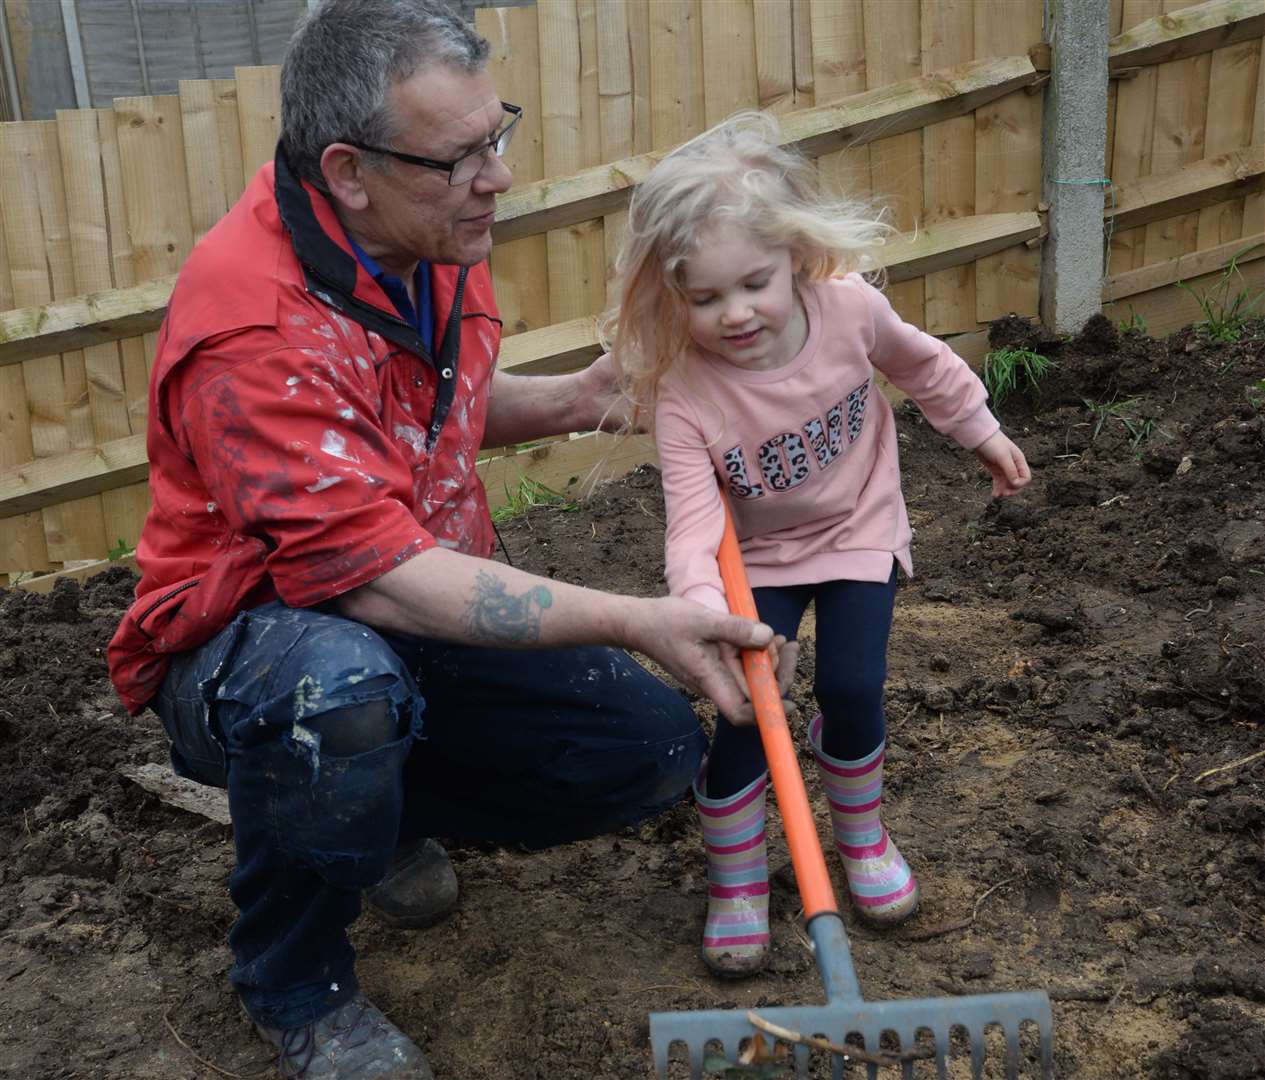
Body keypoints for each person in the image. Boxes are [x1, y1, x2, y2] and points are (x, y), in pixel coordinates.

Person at [106, 5, 796, 1078]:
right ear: (347, 168)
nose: (498, 177)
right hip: (249, 645)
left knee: (648, 748)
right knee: (333, 699)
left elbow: (427, 410)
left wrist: (579, 396)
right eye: (462, 156)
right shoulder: (252, 332)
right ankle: (293, 979)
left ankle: (361, 813)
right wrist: (634, 617)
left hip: (408, 605)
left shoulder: (420, 234)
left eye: (497, 135)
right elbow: (371, 577)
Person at [606, 113, 1032, 978]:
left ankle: (861, 836)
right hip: (754, 560)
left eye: (753, 283)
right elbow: (690, 525)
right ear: (672, 295)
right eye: (703, 298)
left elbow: (925, 367)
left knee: (850, 685)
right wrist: (707, 614)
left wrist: (979, 432)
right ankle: (735, 883)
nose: (734, 314)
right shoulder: (685, 394)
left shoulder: (849, 312)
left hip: (856, 527)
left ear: (796, 257)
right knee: (743, 718)